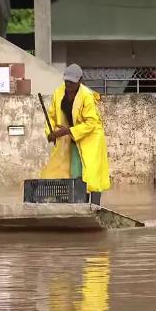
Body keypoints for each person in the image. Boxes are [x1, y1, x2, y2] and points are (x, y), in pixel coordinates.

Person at [40, 64, 111, 205]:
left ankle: (95, 208)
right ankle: (81, 206)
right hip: (72, 138)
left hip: (91, 138)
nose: (68, 85)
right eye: (66, 81)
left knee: (92, 174)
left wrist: (67, 131)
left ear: (80, 80)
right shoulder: (58, 93)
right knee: (75, 172)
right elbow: (52, 116)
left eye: (72, 82)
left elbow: (91, 123)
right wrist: (50, 133)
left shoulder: (87, 96)